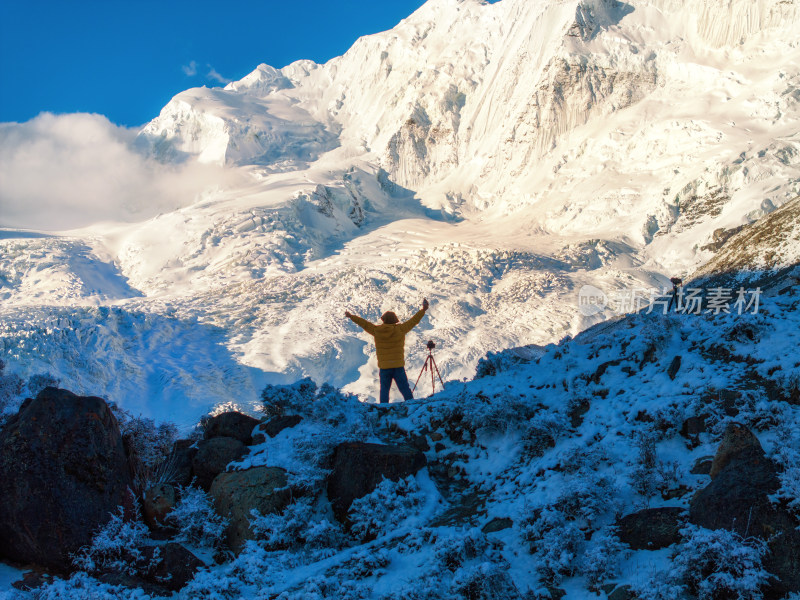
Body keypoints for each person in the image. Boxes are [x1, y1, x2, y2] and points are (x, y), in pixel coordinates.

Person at [345, 298, 429, 404]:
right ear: (395, 320)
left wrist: (351, 316)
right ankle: (412, 406)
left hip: (385, 368)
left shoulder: (376, 330)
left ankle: (383, 409)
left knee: (384, 390)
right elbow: (414, 320)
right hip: (398, 366)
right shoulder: (401, 329)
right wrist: (423, 310)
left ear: (383, 320)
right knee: (404, 388)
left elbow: (364, 324)